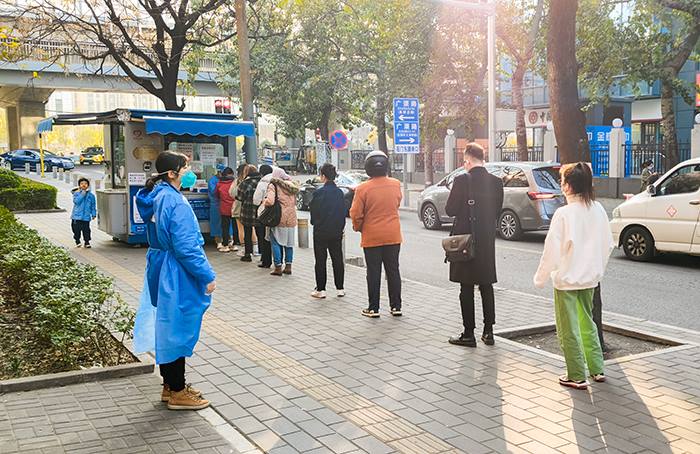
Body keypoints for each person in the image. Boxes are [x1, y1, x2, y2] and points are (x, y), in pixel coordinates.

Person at [134, 151, 216, 410]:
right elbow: (186, 247)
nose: (189, 171)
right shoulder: (175, 201)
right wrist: (207, 275)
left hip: (159, 265)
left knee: (166, 324)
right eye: (185, 167)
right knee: (177, 327)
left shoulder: (155, 195)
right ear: (172, 174)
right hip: (175, 270)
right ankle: (178, 391)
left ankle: (170, 385)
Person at [534, 162, 614, 390]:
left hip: (566, 280)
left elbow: (551, 251)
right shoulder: (598, 209)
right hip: (590, 279)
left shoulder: (564, 214)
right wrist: (597, 269)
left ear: (568, 186)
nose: (561, 185)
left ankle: (576, 375)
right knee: (588, 323)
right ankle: (597, 368)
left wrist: (540, 278)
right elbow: (608, 244)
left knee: (568, 329)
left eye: (562, 181)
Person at [446, 143, 504, 347]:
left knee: (466, 286)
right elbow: (497, 210)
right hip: (486, 240)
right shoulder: (496, 182)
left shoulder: (462, 180)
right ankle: (489, 332)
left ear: (468, 161)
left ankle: (468, 333)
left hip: (466, 241)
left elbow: (450, 209)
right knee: (486, 285)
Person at [349, 151, 403, 318]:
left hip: (372, 236)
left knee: (373, 272)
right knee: (393, 270)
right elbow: (397, 203)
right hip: (393, 235)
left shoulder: (362, 188)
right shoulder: (395, 184)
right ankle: (396, 306)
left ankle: (373, 308)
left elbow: (355, 213)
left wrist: (358, 227)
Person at [309, 163, 346, 298]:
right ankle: (340, 288)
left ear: (323, 176)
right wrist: (340, 227)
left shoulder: (319, 193)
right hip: (336, 231)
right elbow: (343, 212)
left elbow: (314, 212)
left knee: (320, 260)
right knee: (337, 259)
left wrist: (315, 223)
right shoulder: (339, 193)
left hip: (321, 231)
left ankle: (321, 289)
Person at [262, 168, 299, 276]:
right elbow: (295, 202)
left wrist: (264, 202)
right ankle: (288, 267)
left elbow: (270, 201)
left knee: (275, 242)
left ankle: (278, 267)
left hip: (278, 218)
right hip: (291, 219)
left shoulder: (273, 185)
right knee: (289, 244)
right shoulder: (292, 186)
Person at [236, 164, 264, 263]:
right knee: (261, 234)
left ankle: (248, 254)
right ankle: (263, 255)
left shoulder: (244, 183)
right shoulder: (262, 182)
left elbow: (239, 197)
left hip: (247, 211)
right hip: (260, 211)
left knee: (247, 233)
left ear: (246, 172)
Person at [252, 164, 275, 268]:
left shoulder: (262, 183)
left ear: (261, 173)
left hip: (264, 214)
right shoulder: (278, 181)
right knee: (276, 238)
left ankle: (266, 260)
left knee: (264, 237)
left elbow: (256, 200)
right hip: (276, 213)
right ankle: (278, 261)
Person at [214, 167, 238, 253]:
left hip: (224, 208)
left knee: (225, 227)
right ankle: (235, 244)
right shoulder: (235, 183)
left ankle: (225, 245)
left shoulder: (219, 184)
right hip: (234, 208)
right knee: (235, 227)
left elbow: (216, 195)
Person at [71, 177, 97, 248]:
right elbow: (76, 202)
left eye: (85, 183)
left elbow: (93, 206)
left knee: (86, 230)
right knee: (76, 230)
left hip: (86, 217)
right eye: (82, 183)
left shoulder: (91, 196)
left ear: (88, 185)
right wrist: (83, 193)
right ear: (79, 185)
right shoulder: (76, 194)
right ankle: (77, 240)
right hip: (76, 216)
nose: (84, 185)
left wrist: (93, 214)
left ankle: (87, 242)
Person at [230, 164, 248, 257]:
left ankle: (244, 249)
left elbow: (232, 193)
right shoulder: (252, 180)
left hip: (239, 206)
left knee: (241, 229)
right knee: (251, 228)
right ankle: (255, 249)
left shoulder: (237, 181)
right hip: (250, 207)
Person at [207, 165, 225, 249]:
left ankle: (229, 240)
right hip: (216, 204)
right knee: (216, 222)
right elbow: (214, 192)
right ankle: (218, 241)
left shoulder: (225, 179)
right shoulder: (213, 180)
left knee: (228, 223)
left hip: (225, 203)